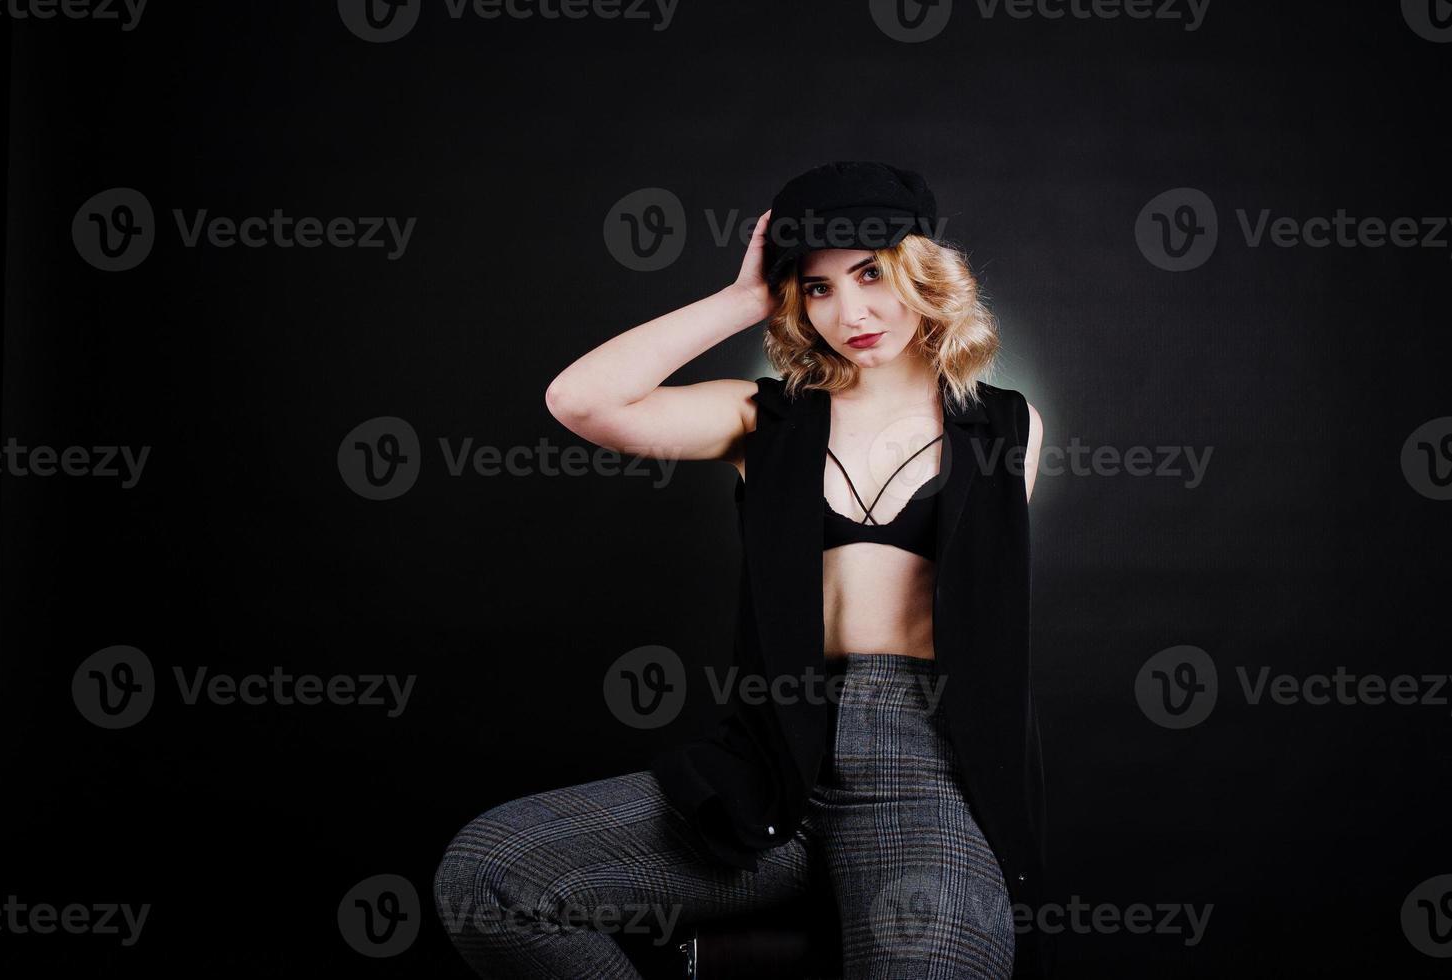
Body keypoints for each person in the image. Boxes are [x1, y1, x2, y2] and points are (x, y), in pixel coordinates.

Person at [434, 161, 1049, 978]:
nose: (851, 310)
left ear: (920, 269)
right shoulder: (762, 418)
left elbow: (987, 622)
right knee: (489, 875)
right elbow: (582, 401)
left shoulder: (1004, 427)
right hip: (767, 768)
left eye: (870, 272)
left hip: (921, 776)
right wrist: (738, 301)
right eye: (816, 287)